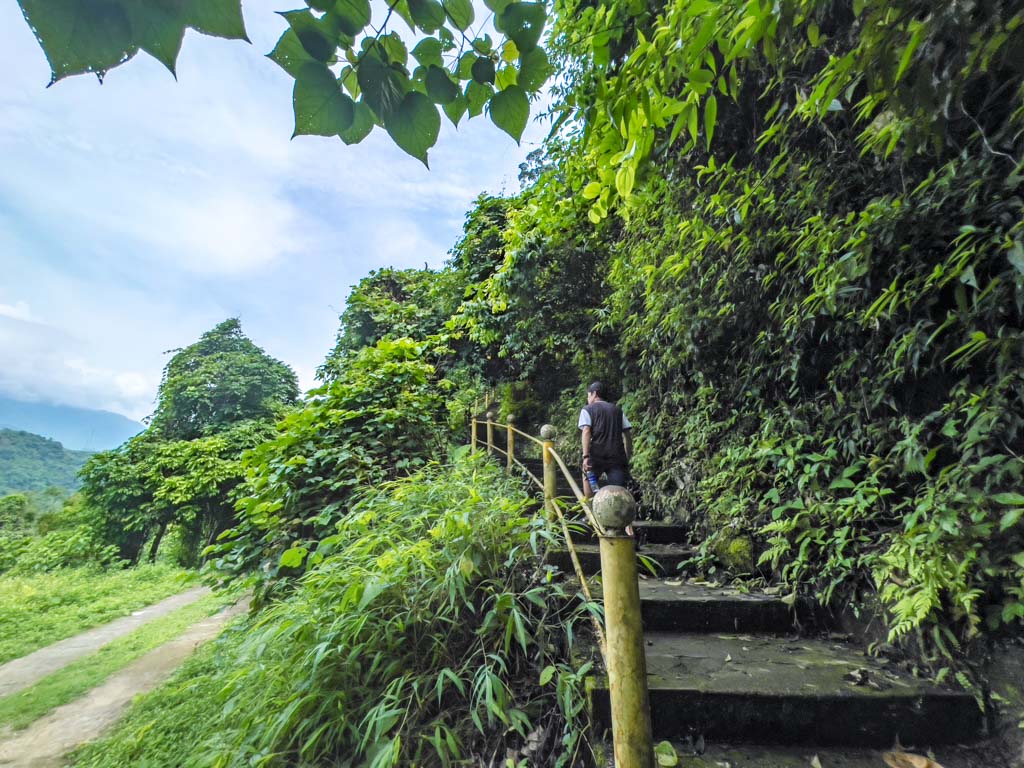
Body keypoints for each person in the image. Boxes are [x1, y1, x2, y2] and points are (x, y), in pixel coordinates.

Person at [579, 381, 632, 499]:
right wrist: (627, 455)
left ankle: (591, 512)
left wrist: (586, 457)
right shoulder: (618, 410)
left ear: (595, 394)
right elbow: (627, 435)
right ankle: (615, 515)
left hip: (596, 454)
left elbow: (586, 431)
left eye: (588, 395)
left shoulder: (588, 409)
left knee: (588, 481)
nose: (588, 398)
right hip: (616, 456)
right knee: (617, 491)